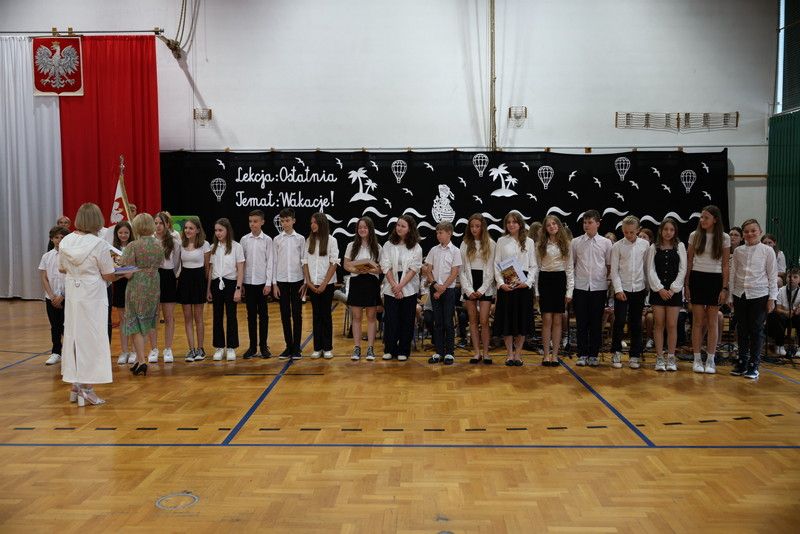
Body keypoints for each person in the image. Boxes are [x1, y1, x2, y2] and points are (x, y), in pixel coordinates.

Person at [59, 203, 117, 406]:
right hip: (93, 295)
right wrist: (122, 272)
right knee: (92, 338)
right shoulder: (98, 244)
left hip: (73, 293)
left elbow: (61, 268)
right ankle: (87, 388)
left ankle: (75, 384)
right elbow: (108, 274)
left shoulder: (66, 240)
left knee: (74, 336)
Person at [729, 219, 778, 380]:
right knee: (742, 329)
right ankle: (742, 361)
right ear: (743, 234)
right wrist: (730, 295)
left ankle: (754, 365)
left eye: (753, 231)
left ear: (760, 232)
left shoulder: (767, 251)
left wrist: (772, 298)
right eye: (746, 231)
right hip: (740, 294)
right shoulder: (738, 251)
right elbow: (733, 273)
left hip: (759, 294)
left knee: (756, 330)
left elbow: (772, 276)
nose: (750, 234)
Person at [685, 205, 730, 374]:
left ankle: (711, 359)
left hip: (715, 280)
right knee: (697, 321)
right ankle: (697, 359)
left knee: (712, 322)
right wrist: (686, 285)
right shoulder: (694, 235)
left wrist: (724, 288)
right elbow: (689, 261)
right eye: (701, 217)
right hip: (697, 278)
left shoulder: (724, 237)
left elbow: (725, 265)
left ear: (715, 220)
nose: (702, 220)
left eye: (706, 217)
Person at [120, 214, 163, 375]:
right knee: (146, 321)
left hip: (137, 284)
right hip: (154, 284)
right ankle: (139, 360)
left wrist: (118, 268)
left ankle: (142, 361)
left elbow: (128, 273)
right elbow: (161, 263)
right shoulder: (158, 244)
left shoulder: (133, 245)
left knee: (135, 322)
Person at [494, 211, 537, 366]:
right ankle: (509, 354)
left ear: (520, 224)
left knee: (521, 321)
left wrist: (528, 282)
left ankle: (518, 354)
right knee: (507, 321)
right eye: (508, 222)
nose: (511, 225)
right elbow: (496, 264)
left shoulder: (529, 242)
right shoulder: (501, 241)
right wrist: (501, 283)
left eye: (514, 222)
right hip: (507, 285)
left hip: (523, 286)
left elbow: (533, 265)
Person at [571, 210, 613, 367]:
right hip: (580, 287)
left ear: (598, 224)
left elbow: (608, 265)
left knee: (596, 322)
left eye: (589, 222)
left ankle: (593, 354)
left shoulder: (606, 243)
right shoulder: (575, 242)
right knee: (581, 322)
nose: (586, 225)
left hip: (599, 287)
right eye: (584, 222)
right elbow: (573, 264)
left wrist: (602, 279)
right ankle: (582, 354)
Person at [380, 214, 423, 362]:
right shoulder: (388, 245)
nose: (399, 228)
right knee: (391, 319)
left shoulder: (416, 247)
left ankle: (404, 350)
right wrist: (394, 286)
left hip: (408, 286)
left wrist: (400, 286)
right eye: (398, 225)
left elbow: (414, 269)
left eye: (403, 226)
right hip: (391, 286)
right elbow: (385, 266)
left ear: (409, 229)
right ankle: (389, 349)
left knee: (407, 319)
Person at [647, 217, 687, 372]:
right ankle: (659, 357)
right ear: (661, 231)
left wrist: (673, 289)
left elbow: (683, 269)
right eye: (665, 229)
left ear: (675, 231)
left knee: (671, 325)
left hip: (673, 292)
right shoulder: (654, 247)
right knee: (659, 324)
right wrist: (659, 288)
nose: (668, 232)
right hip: (658, 291)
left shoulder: (680, 246)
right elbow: (650, 269)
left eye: (671, 230)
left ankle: (671, 357)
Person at [610, 216, 650, 369]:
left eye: (632, 232)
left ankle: (634, 355)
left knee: (636, 323)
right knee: (619, 321)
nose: (628, 235)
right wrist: (618, 289)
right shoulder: (617, 246)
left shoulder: (645, 245)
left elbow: (646, 267)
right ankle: (616, 352)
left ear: (638, 230)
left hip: (639, 289)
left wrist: (647, 287)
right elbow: (614, 270)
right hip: (622, 289)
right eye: (625, 232)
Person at [343, 217, 382, 361]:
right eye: (360, 227)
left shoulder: (377, 247)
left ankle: (370, 348)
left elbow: (381, 269)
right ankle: (357, 347)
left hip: (371, 282)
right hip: (356, 282)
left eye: (365, 227)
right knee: (357, 317)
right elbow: (346, 265)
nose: (362, 230)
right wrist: (357, 269)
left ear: (370, 229)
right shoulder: (351, 245)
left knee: (371, 317)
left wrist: (370, 269)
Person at [536, 215, 573, 366]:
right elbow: (537, 269)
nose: (552, 226)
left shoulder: (567, 244)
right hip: (545, 279)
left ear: (559, 226)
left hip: (560, 280)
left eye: (554, 224)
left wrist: (569, 291)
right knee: (546, 319)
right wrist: (537, 291)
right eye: (549, 225)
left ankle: (555, 355)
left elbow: (569, 269)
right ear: (545, 228)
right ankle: (546, 355)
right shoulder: (540, 245)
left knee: (558, 320)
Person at [460, 213, 496, 364]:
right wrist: (468, 290)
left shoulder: (491, 244)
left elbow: (492, 269)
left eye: (477, 226)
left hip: (485, 285)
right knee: (473, 320)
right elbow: (461, 269)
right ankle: (476, 353)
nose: (474, 229)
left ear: (483, 227)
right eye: (472, 226)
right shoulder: (465, 244)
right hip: (469, 283)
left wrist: (482, 289)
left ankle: (486, 353)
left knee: (484, 320)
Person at [423, 222, 462, 365]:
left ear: (449, 233)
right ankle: (439, 351)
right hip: (435, 288)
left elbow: (454, 272)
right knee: (438, 321)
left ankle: (449, 353)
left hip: (448, 290)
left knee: (448, 322)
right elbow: (428, 270)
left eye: (441, 232)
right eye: (437, 232)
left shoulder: (455, 251)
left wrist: (443, 288)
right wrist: (435, 285)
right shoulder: (434, 250)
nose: (438, 235)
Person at [207, 218, 245, 361]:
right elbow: (211, 269)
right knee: (217, 316)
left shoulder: (236, 247)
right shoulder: (213, 247)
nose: (218, 233)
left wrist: (238, 288)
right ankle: (219, 347)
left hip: (231, 283)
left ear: (227, 230)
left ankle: (231, 347)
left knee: (231, 315)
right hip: (216, 283)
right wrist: (208, 289)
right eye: (216, 230)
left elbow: (240, 269)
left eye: (220, 230)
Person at [303, 212, 340, 359]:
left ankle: (327, 347)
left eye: (315, 222)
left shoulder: (332, 241)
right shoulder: (309, 240)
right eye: (311, 222)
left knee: (326, 315)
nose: (312, 225)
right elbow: (305, 262)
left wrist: (324, 283)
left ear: (322, 224)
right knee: (316, 315)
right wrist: (308, 282)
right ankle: (317, 347)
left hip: (327, 284)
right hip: (313, 284)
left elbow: (334, 263)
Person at [240, 209, 274, 359]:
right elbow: (241, 263)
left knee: (264, 316)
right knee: (251, 315)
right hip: (248, 283)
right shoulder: (244, 240)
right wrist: (241, 284)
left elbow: (270, 262)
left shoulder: (267, 240)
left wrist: (268, 283)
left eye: (255, 221)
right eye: (250, 221)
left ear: (262, 222)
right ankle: (252, 346)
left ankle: (263, 346)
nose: (252, 224)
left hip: (262, 283)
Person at [148, 211, 181, 363]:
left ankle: (168, 348)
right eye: (155, 223)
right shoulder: (149, 240)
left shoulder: (174, 241)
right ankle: (154, 348)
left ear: (167, 224)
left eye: (161, 223)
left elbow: (176, 263)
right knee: (153, 316)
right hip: (153, 277)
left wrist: (172, 277)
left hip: (168, 277)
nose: (158, 226)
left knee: (168, 316)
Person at [273, 208, 306, 360]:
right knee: (285, 314)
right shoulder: (277, 239)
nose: (285, 223)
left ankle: (297, 347)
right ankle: (288, 346)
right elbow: (274, 262)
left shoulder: (300, 239)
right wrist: (274, 283)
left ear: (293, 221)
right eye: (282, 221)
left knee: (297, 314)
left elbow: (304, 261)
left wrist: (305, 281)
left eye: (287, 220)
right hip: (282, 281)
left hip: (297, 280)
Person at [177, 217, 211, 362]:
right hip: (185, 280)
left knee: (198, 318)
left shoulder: (205, 244)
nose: (187, 230)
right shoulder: (181, 244)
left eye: (191, 228)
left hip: (199, 281)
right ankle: (191, 349)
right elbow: (178, 265)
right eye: (186, 228)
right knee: (187, 318)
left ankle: (200, 349)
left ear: (197, 230)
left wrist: (208, 289)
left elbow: (207, 269)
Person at [40, 225, 69, 365]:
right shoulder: (47, 256)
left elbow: (71, 276)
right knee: (55, 326)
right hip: (51, 298)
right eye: (56, 237)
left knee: (67, 326)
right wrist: (51, 296)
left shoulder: (70, 256)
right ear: (51, 239)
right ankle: (56, 352)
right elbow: (44, 277)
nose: (59, 240)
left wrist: (62, 295)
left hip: (67, 297)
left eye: (62, 237)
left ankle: (70, 353)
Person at [111, 221, 135, 365]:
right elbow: (111, 268)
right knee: (123, 319)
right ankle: (124, 351)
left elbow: (138, 265)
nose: (123, 235)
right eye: (120, 232)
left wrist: (130, 272)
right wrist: (120, 274)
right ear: (116, 234)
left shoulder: (134, 247)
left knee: (132, 318)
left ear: (130, 233)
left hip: (133, 284)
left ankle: (134, 351)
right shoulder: (113, 249)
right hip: (119, 284)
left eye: (126, 232)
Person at [768, 267, 800, 358]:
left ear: (799, 279)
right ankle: (779, 345)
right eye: (789, 277)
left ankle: (799, 348)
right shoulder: (781, 290)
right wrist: (786, 312)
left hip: (795, 317)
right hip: (783, 316)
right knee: (776, 316)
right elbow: (777, 309)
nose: (792, 279)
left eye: (795, 277)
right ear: (786, 278)